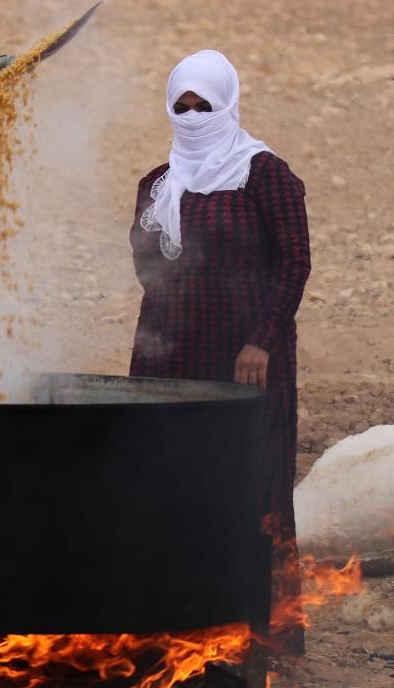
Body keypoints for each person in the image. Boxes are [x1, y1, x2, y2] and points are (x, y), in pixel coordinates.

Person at [127, 49, 312, 655]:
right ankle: (179, 626)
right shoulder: (158, 183)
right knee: (173, 478)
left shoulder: (265, 175)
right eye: (180, 106)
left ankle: (262, 630)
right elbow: (145, 263)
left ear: (226, 103)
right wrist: (169, 326)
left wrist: (260, 338)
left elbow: (294, 262)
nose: (191, 117)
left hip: (246, 357)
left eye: (202, 105)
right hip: (170, 354)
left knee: (251, 480)